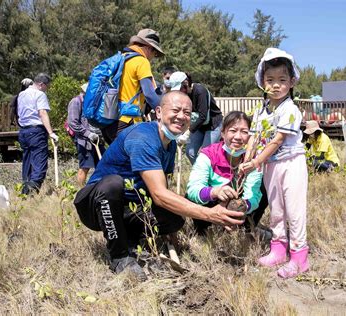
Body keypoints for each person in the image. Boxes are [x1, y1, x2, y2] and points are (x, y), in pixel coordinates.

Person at [73, 91, 244, 279]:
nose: (182, 116)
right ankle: (119, 256)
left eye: (187, 113)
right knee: (112, 184)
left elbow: (163, 189)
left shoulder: (169, 143)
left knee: (175, 218)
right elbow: (159, 195)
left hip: (128, 205)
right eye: (176, 110)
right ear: (158, 112)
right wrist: (210, 214)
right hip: (96, 204)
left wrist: (173, 226)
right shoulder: (143, 137)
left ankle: (129, 240)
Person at [240, 47, 309, 279]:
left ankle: (300, 257)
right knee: (277, 210)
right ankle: (278, 249)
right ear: (262, 82)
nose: (276, 85)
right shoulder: (261, 110)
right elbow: (254, 137)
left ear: (291, 82)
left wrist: (256, 161)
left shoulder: (290, 109)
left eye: (282, 80)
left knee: (294, 210)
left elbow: (278, 140)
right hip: (270, 166)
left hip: (291, 164)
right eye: (270, 80)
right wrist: (248, 157)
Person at [186, 111, 268, 236]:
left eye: (244, 132)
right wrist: (215, 192)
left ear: (250, 136)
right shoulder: (209, 154)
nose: (238, 137)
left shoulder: (253, 161)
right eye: (233, 130)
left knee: (264, 188)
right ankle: (204, 232)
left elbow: (254, 196)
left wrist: (241, 207)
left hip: (239, 209)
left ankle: (246, 229)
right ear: (223, 133)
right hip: (211, 206)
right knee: (194, 197)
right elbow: (193, 190)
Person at [101, 28, 164, 144]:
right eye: (155, 52)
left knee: (117, 160)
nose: (154, 56)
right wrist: (164, 112)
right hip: (128, 121)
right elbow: (149, 94)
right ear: (148, 48)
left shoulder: (122, 58)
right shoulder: (141, 61)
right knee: (135, 160)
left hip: (110, 119)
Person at [168, 71, 223, 164]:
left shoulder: (200, 91)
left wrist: (187, 133)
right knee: (190, 152)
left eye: (179, 89)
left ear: (185, 83)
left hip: (213, 125)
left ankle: (210, 174)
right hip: (198, 126)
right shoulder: (184, 96)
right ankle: (200, 173)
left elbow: (203, 116)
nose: (178, 92)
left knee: (206, 155)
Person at [16, 73, 58, 195]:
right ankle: (31, 192)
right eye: (46, 86)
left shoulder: (21, 94)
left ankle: (25, 191)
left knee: (28, 161)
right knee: (39, 163)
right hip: (36, 131)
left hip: (23, 131)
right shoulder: (40, 94)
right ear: (41, 84)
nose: (47, 89)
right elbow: (42, 113)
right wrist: (51, 133)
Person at [67, 83, 105, 185]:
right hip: (84, 141)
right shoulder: (76, 102)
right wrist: (88, 134)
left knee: (103, 164)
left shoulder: (91, 103)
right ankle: (79, 190)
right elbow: (72, 123)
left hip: (97, 139)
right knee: (85, 167)